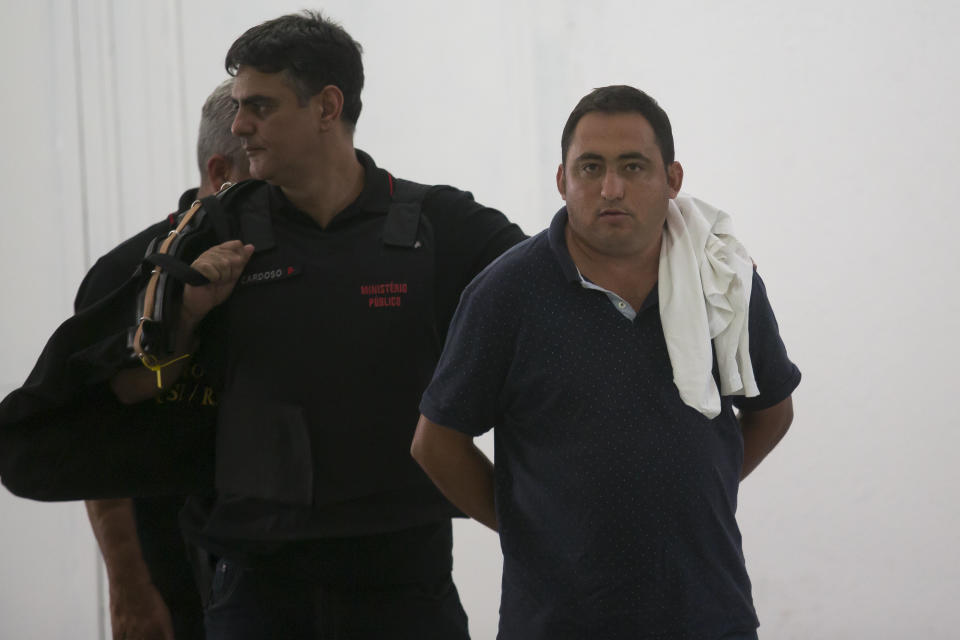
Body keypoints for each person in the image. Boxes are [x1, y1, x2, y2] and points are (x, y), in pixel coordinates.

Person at [106, 10, 525, 640]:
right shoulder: (208, 232)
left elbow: (552, 305)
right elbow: (130, 388)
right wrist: (189, 314)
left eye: (261, 106)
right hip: (258, 590)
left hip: (405, 587)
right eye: (241, 105)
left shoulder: (442, 225)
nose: (239, 124)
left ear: (328, 106)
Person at [412, 85, 801, 639]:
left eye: (634, 167)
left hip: (708, 615)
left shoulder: (722, 281)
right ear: (562, 180)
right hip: (557, 622)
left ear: (673, 180)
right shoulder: (507, 293)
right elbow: (436, 442)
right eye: (590, 167)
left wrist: (697, 498)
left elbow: (773, 412)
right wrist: (531, 529)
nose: (610, 188)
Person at [82, 78, 250, 640]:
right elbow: (97, 444)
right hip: (168, 576)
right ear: (223, 172)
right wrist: (128, 587)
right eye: (266, 168)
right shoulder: (123, 276)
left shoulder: (288, 271)